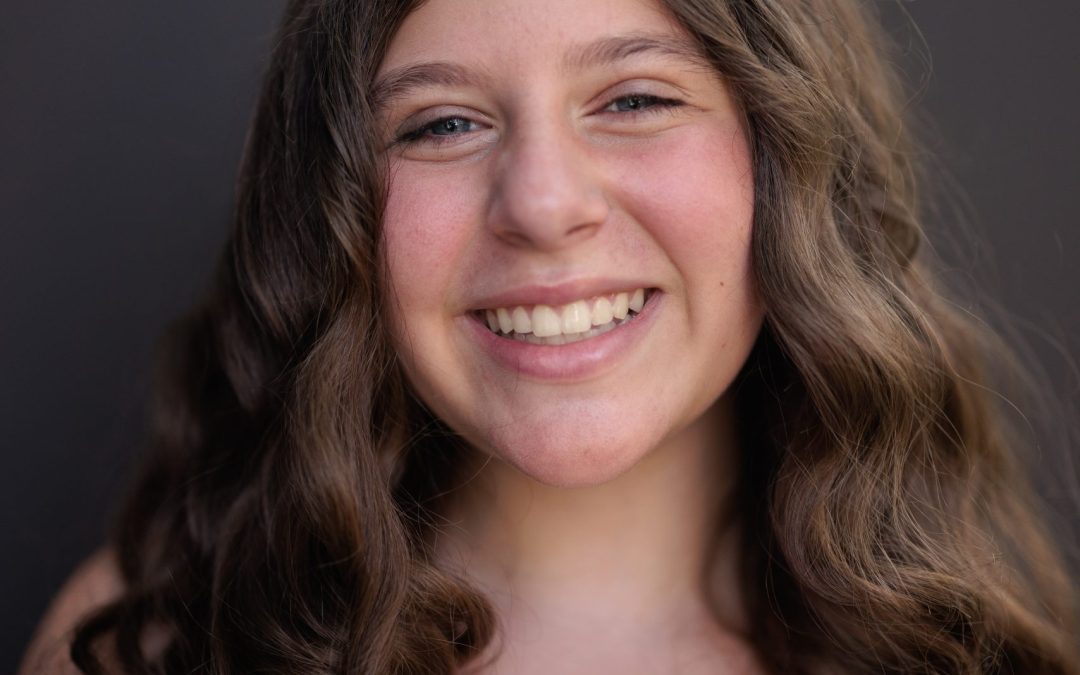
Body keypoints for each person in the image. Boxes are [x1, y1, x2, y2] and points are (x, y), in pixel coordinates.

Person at [20, 0, 1080, 672]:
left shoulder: (972, 655)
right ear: (329, 214)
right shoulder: (146, 648)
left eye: (635, 99)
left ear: (792, 163)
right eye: (443, 123)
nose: (541, 203)